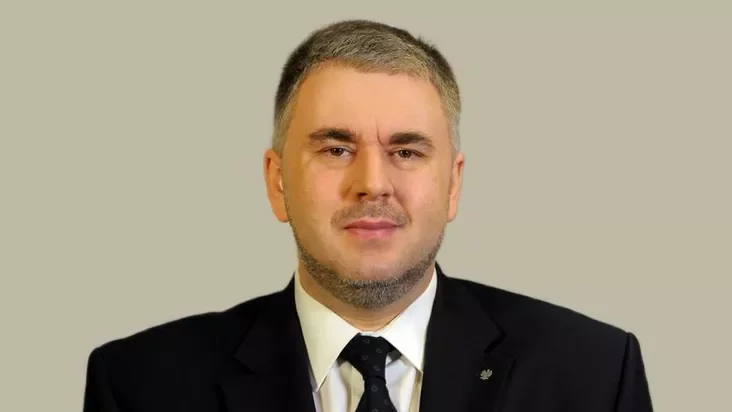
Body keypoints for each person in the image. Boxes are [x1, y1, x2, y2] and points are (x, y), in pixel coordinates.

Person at [83, 19, 653, 412]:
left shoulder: (594, 377)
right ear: (277, 182)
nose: (372, 183)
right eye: (336, 149)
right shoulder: (139, 387)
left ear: (454, 184)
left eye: (406, 151)